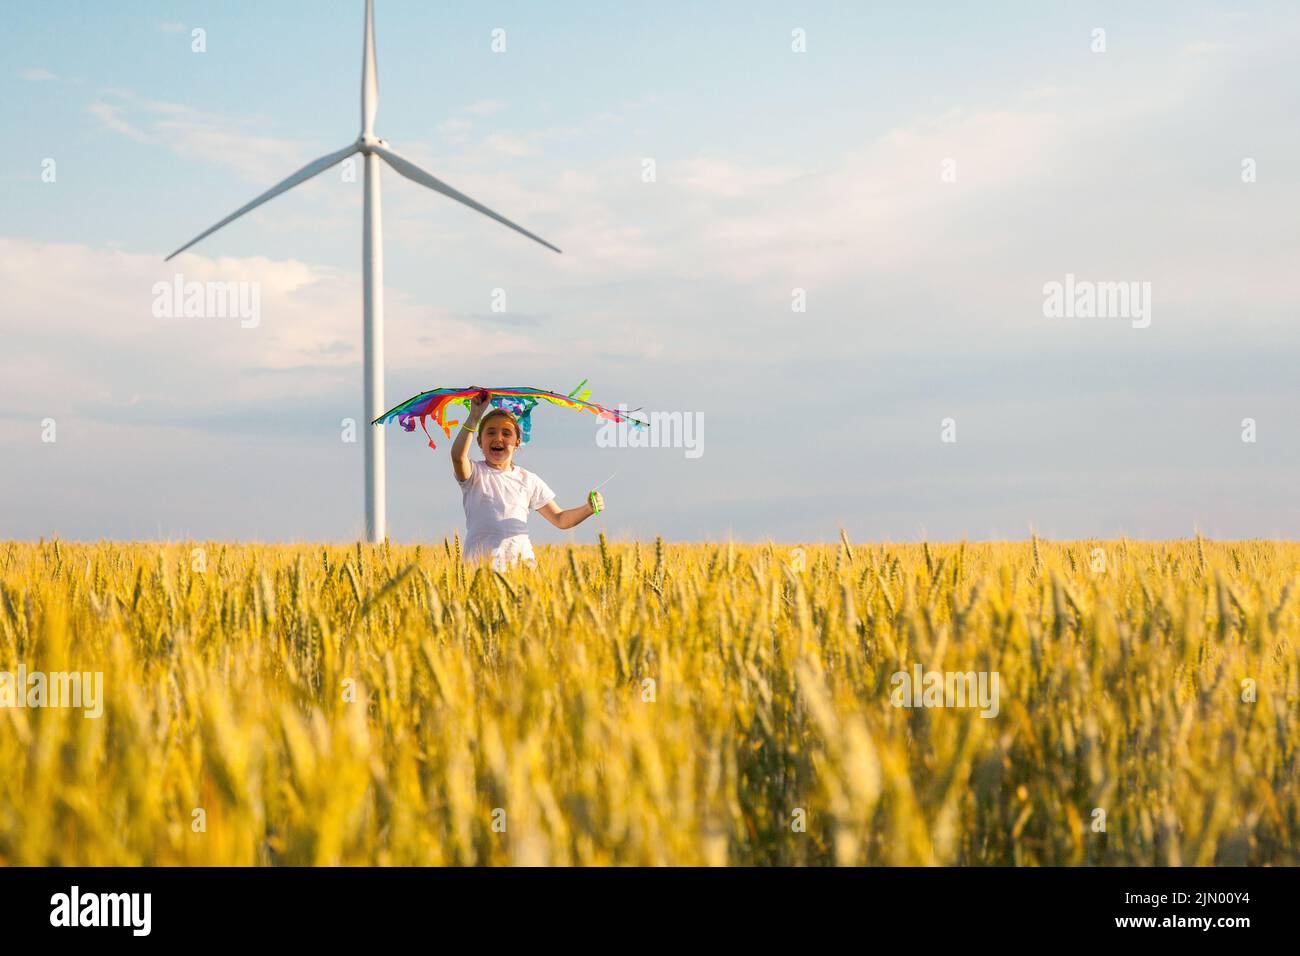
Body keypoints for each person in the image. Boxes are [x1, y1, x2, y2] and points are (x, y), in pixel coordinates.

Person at [451, 391, 604, 569]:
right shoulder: (475, 474)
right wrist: (474, 417)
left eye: (507, 433)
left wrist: (589, 508)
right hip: (478, 567)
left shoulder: (528, 479)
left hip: (521, 568)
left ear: (517, 442)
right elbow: (457, 456)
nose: (498, 438)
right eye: (490, 433)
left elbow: (560, 519)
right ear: (479, 442)